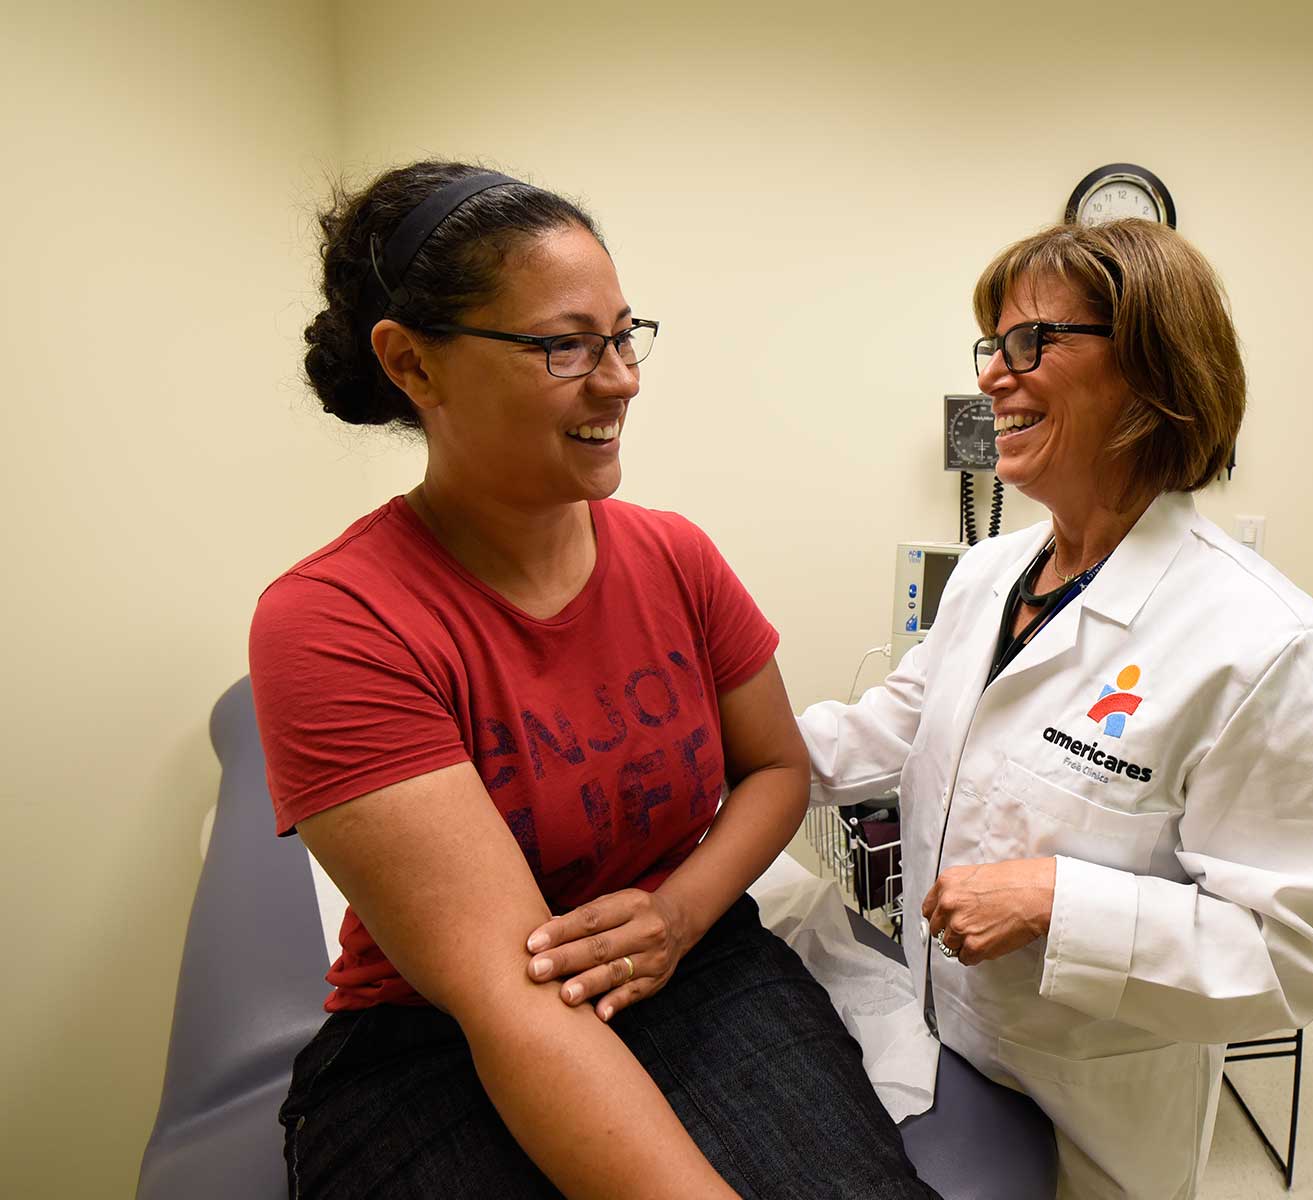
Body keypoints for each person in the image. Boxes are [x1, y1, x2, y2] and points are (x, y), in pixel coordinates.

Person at [250, 161, 936, 1199]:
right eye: (564, 345)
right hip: (436, 1038)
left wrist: (679, 917)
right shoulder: (338, 623)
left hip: (695, 970)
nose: (620, 379)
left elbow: (775, 772)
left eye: (624, 335)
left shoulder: (675, 558)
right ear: (412, 366)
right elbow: (510, 997)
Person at [799, 219, 1313, 1197]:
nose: (992, 377)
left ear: (1152, 367)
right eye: (991, 346)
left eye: (1032, 343)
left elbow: (1292, 959)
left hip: (1096, 1110)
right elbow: (891, 725)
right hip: (940, 1051)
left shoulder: (1267, 648)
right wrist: (706, 743)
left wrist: (1059, 904)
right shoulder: (989, 574)